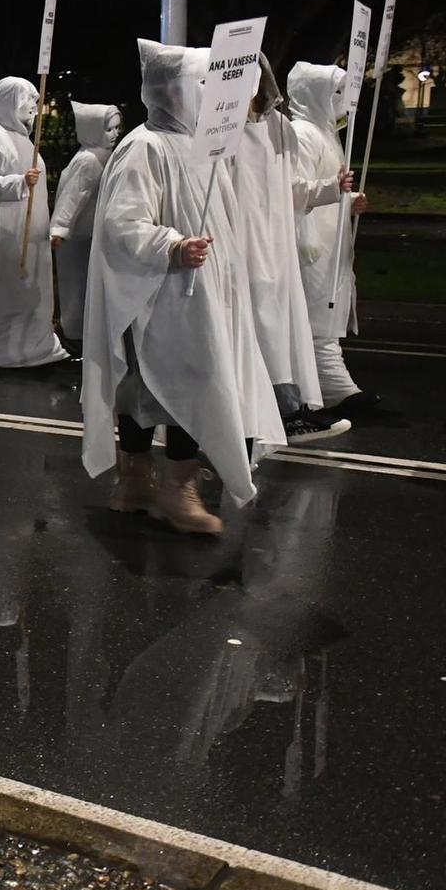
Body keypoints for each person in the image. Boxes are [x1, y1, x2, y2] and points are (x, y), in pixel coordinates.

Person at [80, 40, 282, 535]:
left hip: (195, 294)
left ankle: (153, 486)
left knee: (171, 387)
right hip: (160, 293)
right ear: (175, 91)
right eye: (203, 86)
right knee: (156, 388)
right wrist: (171, 246)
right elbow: (122, 223)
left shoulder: (200, 148)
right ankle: (158, 488)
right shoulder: (143, 147)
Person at [232, 54, 351, 445]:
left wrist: (331, 189)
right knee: (256, 330)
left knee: (280, 330)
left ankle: (286, 411)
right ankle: (274, 414)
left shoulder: (277, 127)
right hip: (238, 245)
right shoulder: (220, 132)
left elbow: (290, 187)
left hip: (275, 244)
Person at [287, 61, 373, 418]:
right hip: (311, 245)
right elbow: (292, 189)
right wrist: (334, 191)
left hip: (330, 244)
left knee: (326, 315)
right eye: (337, 92)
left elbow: (328, 189)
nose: (343, 102)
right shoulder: (303, 134)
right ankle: (326, 389)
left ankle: (329, 386)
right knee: (315, 317)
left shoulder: (325, 134)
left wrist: (349, 201)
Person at [0, 77, 69, 370]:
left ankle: (33, 347)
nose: (34, 108)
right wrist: (20, 182)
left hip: (30, 229)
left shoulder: (25, 140)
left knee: (29, 287)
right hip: (4, 230)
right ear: (10, 102)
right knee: (0, 286)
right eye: (29, 101)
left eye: (36, 102)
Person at [48, 101, 122, 349]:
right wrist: (60, 228)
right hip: (79, 237)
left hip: (91, 235)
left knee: (86, 287)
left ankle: (81, 333)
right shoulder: (89, 160)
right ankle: (74, 334)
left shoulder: (101, 156)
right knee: (77, 287)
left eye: (116, 128)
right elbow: (72, 196)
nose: (115, 134)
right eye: (109, 129)